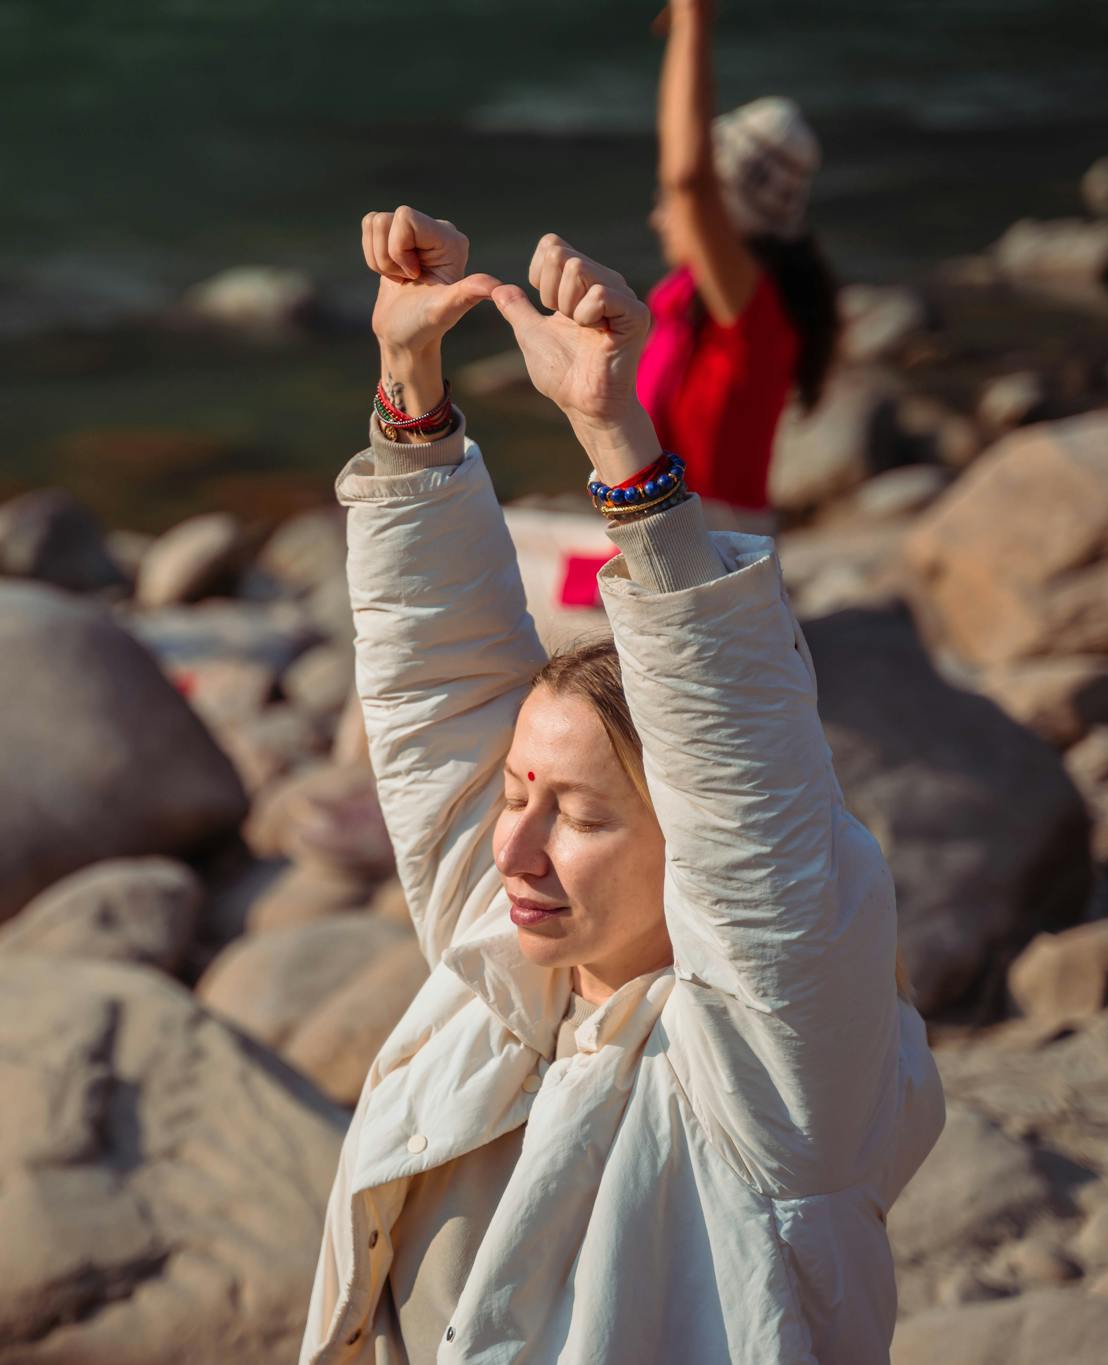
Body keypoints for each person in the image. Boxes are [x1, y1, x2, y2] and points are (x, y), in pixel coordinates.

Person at [302, 205, 942, 1364]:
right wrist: (409, 386)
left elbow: (745, 779)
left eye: (581, 814)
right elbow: (433, 687)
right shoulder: (505, 964)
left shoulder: (775, 1072)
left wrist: (615, 439)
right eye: (514, 797)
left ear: (686, 841)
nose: (513, 849)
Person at [638, 0, 840, 535]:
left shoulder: (753, 312)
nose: (657, 216)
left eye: (666, 202)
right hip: (671, 531)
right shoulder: (695, 296)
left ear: (722, 216)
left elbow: (688, 180)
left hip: (714, 547)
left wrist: (692, 20)